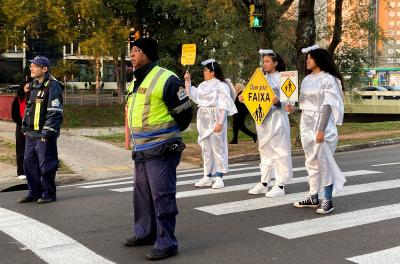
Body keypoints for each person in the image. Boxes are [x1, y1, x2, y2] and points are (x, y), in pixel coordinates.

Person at [123, 38, 192, 261]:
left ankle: (167, 242)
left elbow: (184, 113)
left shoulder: (167, 78)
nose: (132, 54)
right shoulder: (134, 81)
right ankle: (145, 233)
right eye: (131, 51)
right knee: (141, 196)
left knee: (162, 196)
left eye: (137, 50)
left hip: (161, 148)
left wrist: (168, 135)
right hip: (141, 149)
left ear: (148, 54)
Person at [289, 45, 346, 214]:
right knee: (311, 161)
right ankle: (313, 195)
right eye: (307, 58)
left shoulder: (329, 79)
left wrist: (320, 130)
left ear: (319, 59)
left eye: (310, 58)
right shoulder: (306, 80)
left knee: (324, 162)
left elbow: (328, 105)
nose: (307, 61)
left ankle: (328, 199)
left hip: (322, 124)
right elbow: (305, 103)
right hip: (306, 123)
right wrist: (293, 109)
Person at [243, 49, 293, 197]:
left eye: (267, 61)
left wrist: (278, 103)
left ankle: (280, 185)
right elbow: (253, 95)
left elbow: (290, 105)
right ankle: (264, 183)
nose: (264, 64)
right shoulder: (260, 78)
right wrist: (244, 97)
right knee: (264, 150)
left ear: (275, 63)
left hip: (277, 119)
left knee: (280, 151)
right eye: (263, 61)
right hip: (262, 120)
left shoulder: (284, 78)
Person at [184, 59, 237, 189]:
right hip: (203, 119)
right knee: (206, 149)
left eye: (206, 70)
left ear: (212, 72)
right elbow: (192, 94)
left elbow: (225, 104)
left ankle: (219, 177)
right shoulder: (202, 85)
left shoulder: (221, 85)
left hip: (215, 117)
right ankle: (207, 176)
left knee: (218, 147)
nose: (204, 72)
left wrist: (220, 122)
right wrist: (187, 81)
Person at [18, 56, 64, 204]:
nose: (31, 68)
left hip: (44, 135)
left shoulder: (53, 86)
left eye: (34, 66)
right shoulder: (32, 85)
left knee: (46, 165)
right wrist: (24, 127)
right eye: (31, 65)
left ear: (44, 69)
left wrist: (47, 132)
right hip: (31, 134)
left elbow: (55, 111)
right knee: (28, 163)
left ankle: (48, 193)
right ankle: (34, 192)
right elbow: (29, 109)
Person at [11, 79, 31, 180]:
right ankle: (21, 171)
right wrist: (22, 125)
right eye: (26, 87)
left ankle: (31, 171)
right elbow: (14, 115)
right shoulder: (17, 99)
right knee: (21, 150)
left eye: (29, 87)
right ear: (22, 87)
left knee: (32, 151)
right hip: (20, 127)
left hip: (32, 127)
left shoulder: (33, 97)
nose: (28, 89)